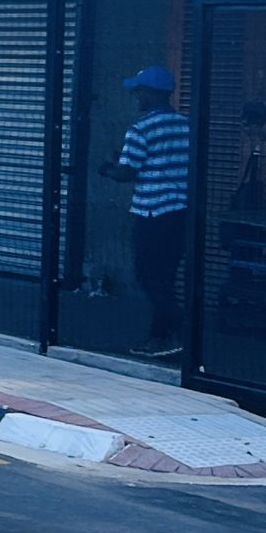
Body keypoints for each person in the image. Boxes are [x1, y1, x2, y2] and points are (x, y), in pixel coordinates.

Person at [100, 63, 191, 357]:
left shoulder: (140, 129)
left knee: (147, 276)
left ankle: (170, 333)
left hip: (152, 213)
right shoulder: (186, 125)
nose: (136, 97)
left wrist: (107, 169)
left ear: (153, 93)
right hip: (179, 211)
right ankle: (166, 334)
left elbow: (127, 173)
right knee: (166, 276)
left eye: (139, 92)